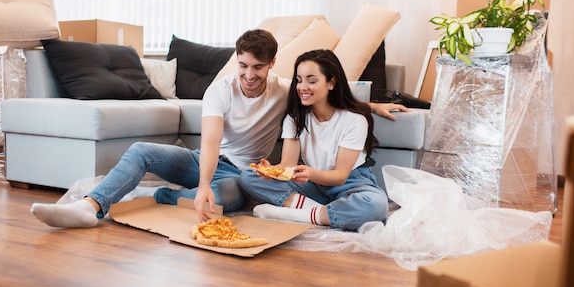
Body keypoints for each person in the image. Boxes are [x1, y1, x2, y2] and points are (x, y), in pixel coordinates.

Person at [31, 29, 290, 228]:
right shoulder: (221, 89)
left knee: (225, 197)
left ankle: (153, 194)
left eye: (258, 67)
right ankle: (89, 206)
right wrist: (203, 184)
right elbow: (211, 141)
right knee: (141, 151)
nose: (249, 74)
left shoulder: (285, 91)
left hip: (239, 175)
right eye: (243, 65)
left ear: (272, 63)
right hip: (204, 160)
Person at [239, 49, 391, 231]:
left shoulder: (354, 120)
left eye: (312, 81)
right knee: (249, 176)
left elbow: (341, 176)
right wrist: (270, 171)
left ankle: (298, 214)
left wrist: (310, 173)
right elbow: (287, 164)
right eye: (299, 79)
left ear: (331, 83)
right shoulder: (295, 118)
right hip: (313, 185)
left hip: (350, 183)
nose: (302, 87)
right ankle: (320, 213)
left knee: (375, 206)